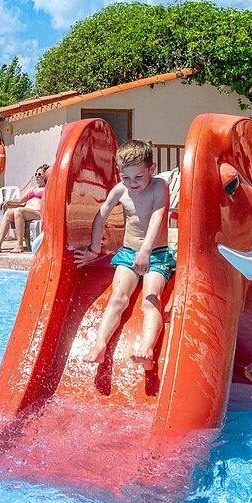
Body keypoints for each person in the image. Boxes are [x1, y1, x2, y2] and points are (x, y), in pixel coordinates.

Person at [73, 140, 174, 368]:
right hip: (128, 254)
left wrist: (146, 251)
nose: (132, 183)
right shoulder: (121, 190)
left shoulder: (159, 187)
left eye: (138, 177)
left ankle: (146, 349)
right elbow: (101, 215)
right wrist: (94, 250)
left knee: (151, 299)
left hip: (156, 254)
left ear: (152, 169)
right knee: (118, 297)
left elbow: (158, 217)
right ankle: (100, 345)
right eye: (126, 177)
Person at [0, 164, 48, 254]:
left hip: (38, 213)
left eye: (39, 174)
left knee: (19, 210)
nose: (37, 177)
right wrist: (7, 202)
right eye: (36, 174)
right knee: (8, 213)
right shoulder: (33, 188)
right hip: (26, 212)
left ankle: (19, 244)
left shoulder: (48, 188)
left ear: (46, 176)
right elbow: (20, 200)